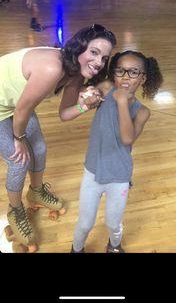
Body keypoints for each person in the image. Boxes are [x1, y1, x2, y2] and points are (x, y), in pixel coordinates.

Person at [0, 24, 116, 252]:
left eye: (104, 58)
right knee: (18, 158)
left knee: (40, 148)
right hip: (7, 107)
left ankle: (35, 192)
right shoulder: (52, 67)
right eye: (94, 52)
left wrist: (84, 106)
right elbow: (23, 111)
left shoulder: (74, 72)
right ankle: (15, 210)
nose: (99, 62)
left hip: (12, 103)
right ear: (80, 46)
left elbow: (64, 114)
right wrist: (18, 138)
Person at [71, 50, 163, 253]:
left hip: (119, 176)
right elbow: (90, 92)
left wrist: (122, 102)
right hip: (93, 171)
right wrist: (88, 94)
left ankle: (114, 245)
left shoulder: (142, 112)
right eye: (121, 71)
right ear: (114, 73)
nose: (126, 77)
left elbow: (127, 138)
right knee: (85, 223)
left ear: (143, 77)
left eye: (133, 72)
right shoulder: (106, 88)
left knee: (113, 223)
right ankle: (76, 249)